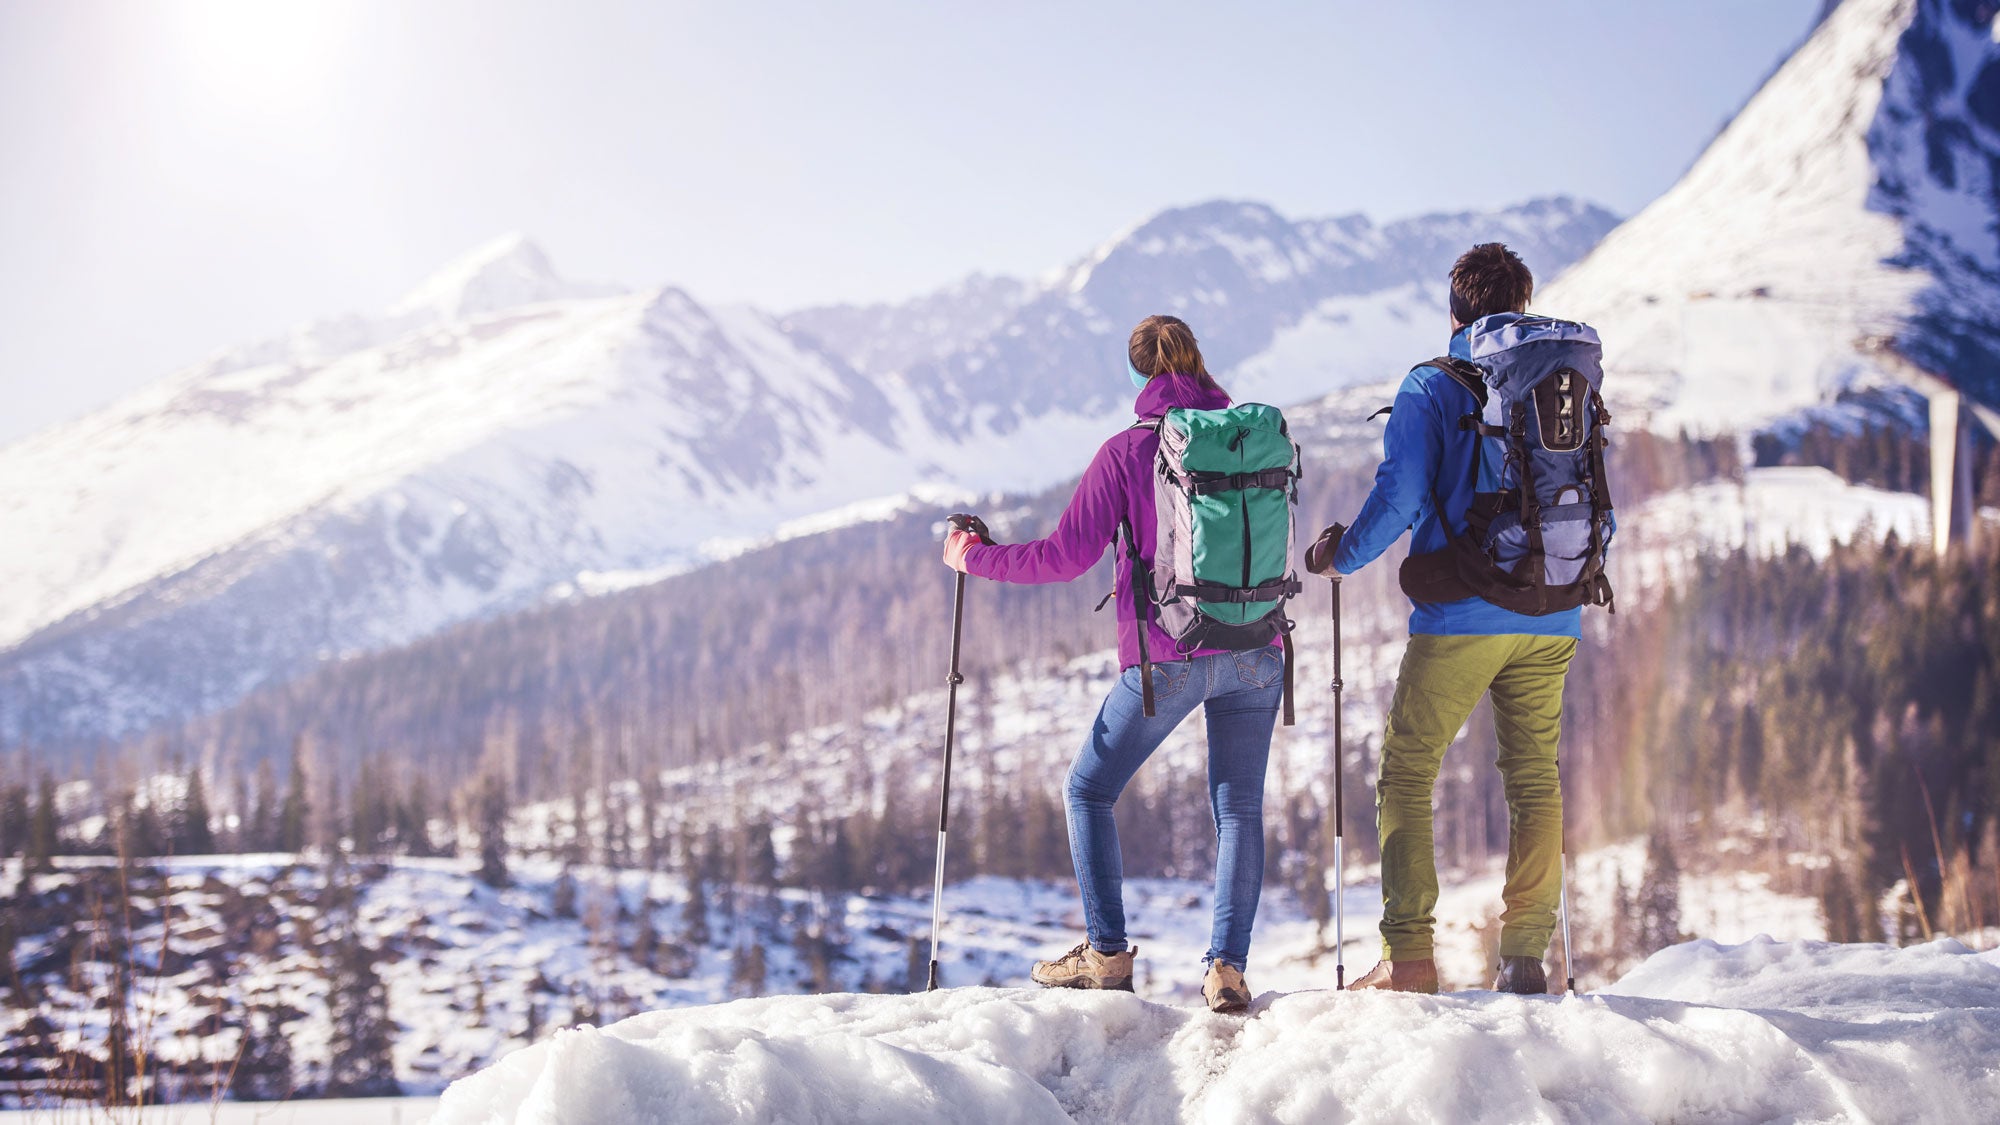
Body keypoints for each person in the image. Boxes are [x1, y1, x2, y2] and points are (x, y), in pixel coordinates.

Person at [941, 315, 1285, 1014]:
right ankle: (1227, 970)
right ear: (1199, 364)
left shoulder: (1128, 451)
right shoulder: (1251, 439)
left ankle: (1106, 954)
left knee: (1089, 789)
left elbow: (1063, 557)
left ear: (1137, 378)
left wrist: (973, 556)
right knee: (1239, 807)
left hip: (1172, 656)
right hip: (1258, 648)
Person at [1305, 243, 1588, 995]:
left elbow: (1399, 497)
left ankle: (1410, 957)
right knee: (1534, 778)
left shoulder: (1432, 384)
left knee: (1407, 768)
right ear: (1522, 305)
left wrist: (1341, 557)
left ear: (1455, 309)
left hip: (1464, 610)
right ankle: (1525, 955)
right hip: (1554, 608)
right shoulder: (1560, 382)